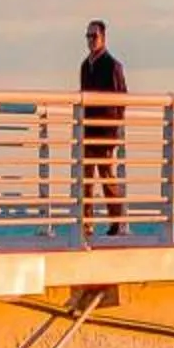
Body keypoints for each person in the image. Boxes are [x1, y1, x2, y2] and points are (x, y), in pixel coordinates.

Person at [77, 20, 128, 237]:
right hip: (87, 130)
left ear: (103, 38)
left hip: (105, 131)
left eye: (94, 36)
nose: (90, 41)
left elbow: (121, 98)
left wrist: (113, 129)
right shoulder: (84, 66)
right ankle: (86, 225)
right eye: (87, 36)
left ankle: (116, 222)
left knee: (106, 176)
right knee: (86, 180)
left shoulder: (112, 65)